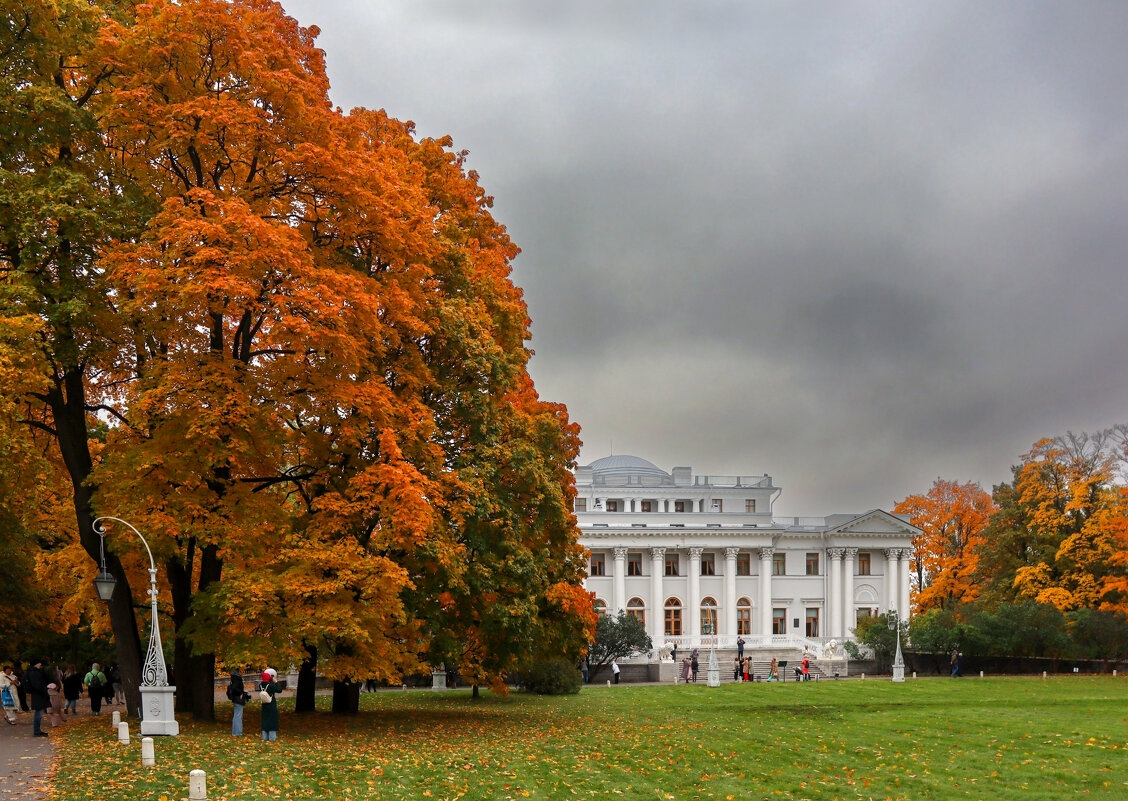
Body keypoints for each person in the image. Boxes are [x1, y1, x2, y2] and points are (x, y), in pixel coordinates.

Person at [25, 657, 51, 737]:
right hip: (38, 695)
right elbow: (37, 685)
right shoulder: (34, 673)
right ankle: (37, 731)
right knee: (39, 713)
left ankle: (37, 730)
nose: (40, 664)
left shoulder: (34, 672)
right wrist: (45, 689)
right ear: (36, 664)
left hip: (38, 695)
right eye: (39, 663)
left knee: (39, 713)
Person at [259, 667, 282, 741]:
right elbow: (279, 690)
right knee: (272, 720)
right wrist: (276, 682)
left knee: (265, 719)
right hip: (271, 704)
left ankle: (264, 736)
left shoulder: (261, 685)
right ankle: (272, 737)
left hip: (264, 704)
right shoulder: (271, 685)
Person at [226, 669, 249, 737]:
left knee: (236, 716)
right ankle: (238, 732)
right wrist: (241, 693)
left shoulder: (233, 680)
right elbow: (234, 688)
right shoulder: (237, 680)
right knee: (238, 717)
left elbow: (233, 688)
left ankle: (235, 732)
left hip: (235, 699)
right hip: (238, 699)